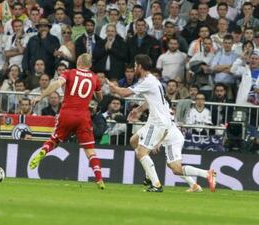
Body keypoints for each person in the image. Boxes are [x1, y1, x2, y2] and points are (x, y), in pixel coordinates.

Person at [107, 54, 216, 192]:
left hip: (159, 123)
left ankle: (156, 184)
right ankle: (204, 176)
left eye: (135, 65)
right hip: (161, 123)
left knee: (142, 153)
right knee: (135, 141)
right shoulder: (152, 80)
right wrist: (139, 110)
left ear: (140, 66)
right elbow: (152, 99)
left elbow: (124, 93)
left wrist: (112, 86)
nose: (134, 68)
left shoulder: (147, 81)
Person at [30, 53, 105, 190]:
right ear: (90, 65)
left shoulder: (69, 73)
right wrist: (95, 93)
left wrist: (41, 96)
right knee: (90, 150)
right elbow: (100, 97)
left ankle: (44, 151)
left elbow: (56, 84)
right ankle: (99, 179)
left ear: (78, 62)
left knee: (54, 140)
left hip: (67, 113)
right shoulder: (94, 77)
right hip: (84, 116)